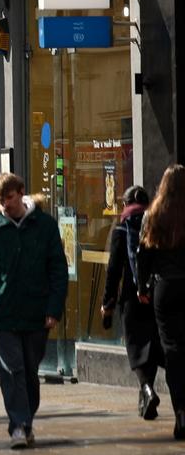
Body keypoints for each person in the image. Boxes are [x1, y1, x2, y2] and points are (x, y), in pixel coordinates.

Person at [0, 171, 67, 449]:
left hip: (36, 312)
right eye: (1, 200)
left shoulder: (46, 226)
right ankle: (17, 425)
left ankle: (26, 422)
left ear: (21, 192)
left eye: (10, 198)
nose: (5, 205)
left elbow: (58, 271)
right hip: (1, 312)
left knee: (29, 371)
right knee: (12, 369)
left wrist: (54, 308)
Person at [104, 184, 161, 422]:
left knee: (136, 349)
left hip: (130, 298)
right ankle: (145, 398)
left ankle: (147, 390)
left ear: (126, 205)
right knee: (150, 346)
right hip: (155, 293)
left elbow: (113, 270)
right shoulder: (156, 227)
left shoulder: (120, 229)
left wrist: (107, 303)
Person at [140, 165, 185, 440]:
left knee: (173, 351)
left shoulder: (153, 215)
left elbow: (143, 254)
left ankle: (181, 411)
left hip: (165, 288)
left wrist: (143, 286)